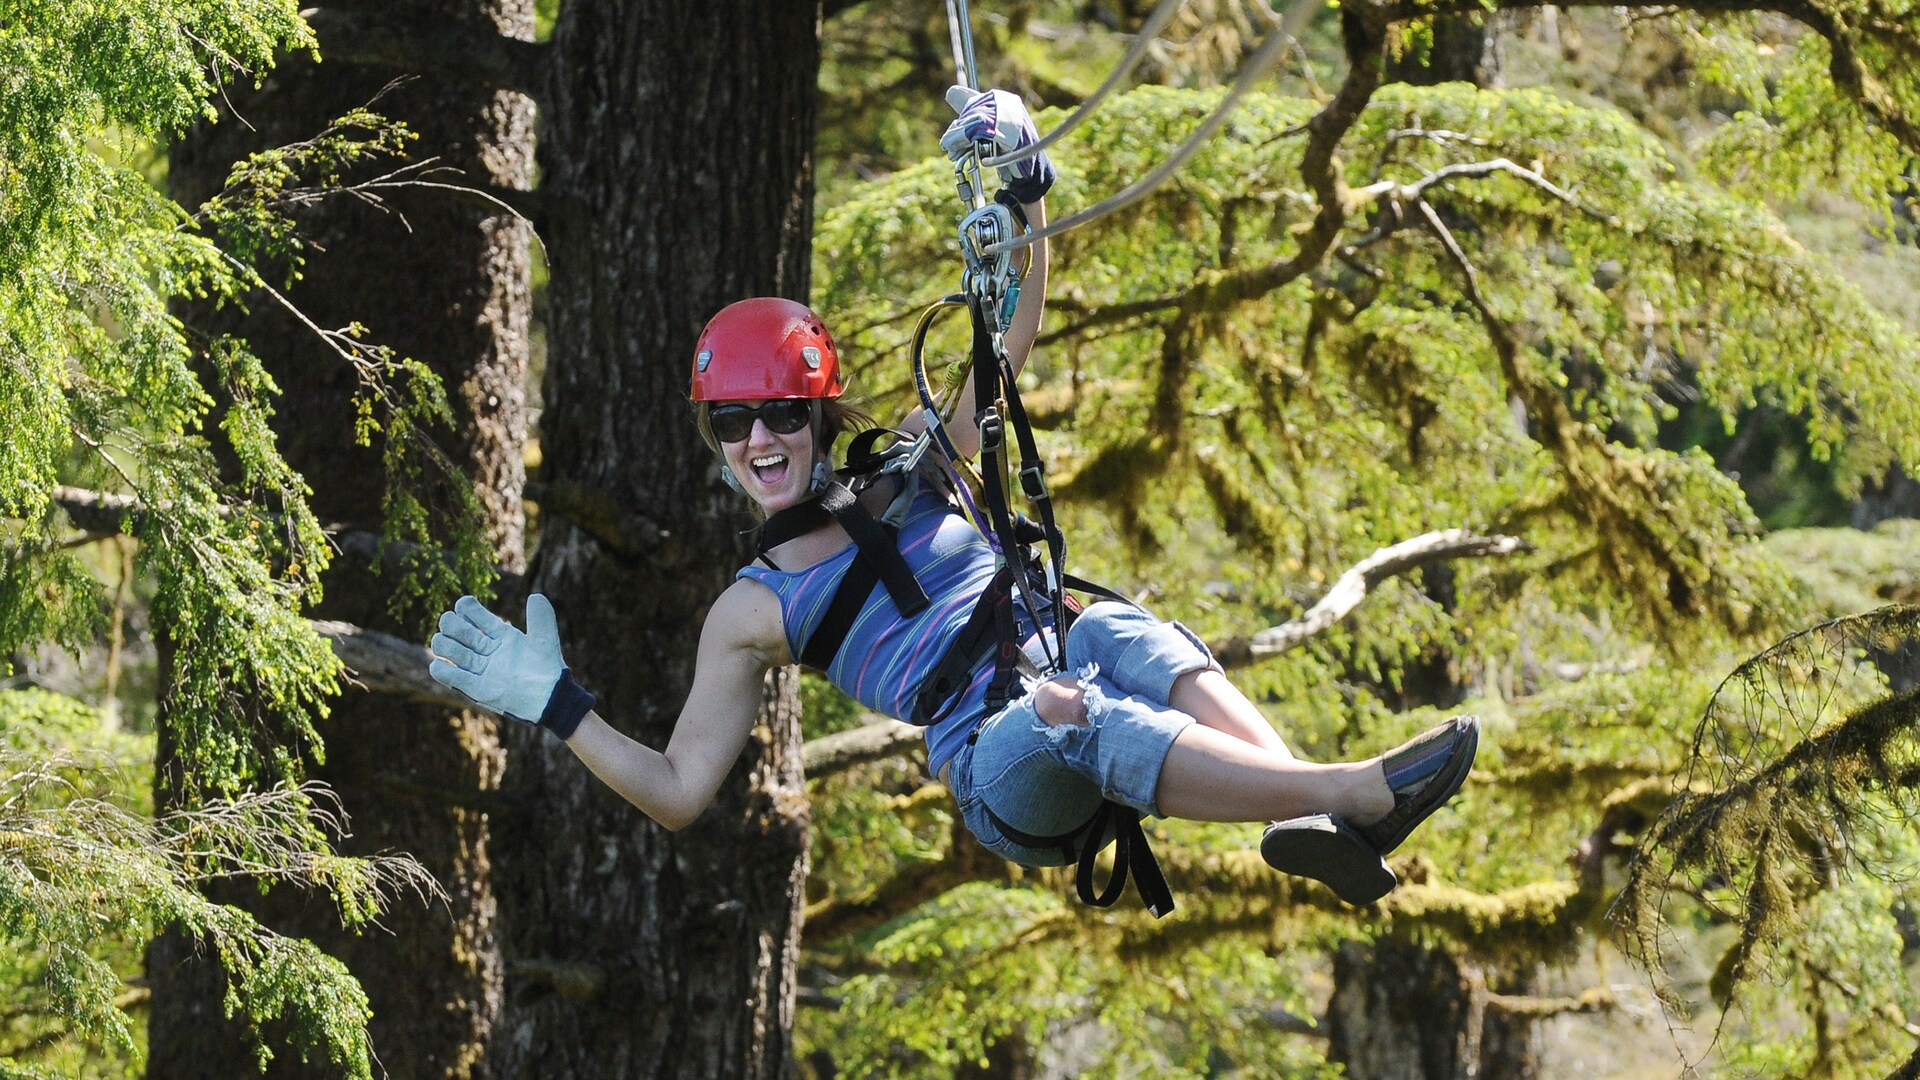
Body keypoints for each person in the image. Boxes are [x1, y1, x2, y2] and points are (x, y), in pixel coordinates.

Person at [426, 88, 1478, 908]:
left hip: (1059, 657)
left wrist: (1025, 193)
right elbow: (676, 790)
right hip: (996, 763)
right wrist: (558, 706)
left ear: (820, 413)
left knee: (1125, 635)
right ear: (715, 440)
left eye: (784, 415)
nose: (761, 440)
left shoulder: (911, 468)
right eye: (734, 424)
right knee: (1067, 714)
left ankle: (1318, 816)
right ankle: (1349, 791)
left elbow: (1007, 333)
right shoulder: (748, 612)